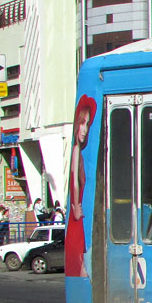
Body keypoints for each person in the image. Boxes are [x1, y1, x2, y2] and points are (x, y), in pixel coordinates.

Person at [65, 95, 96, 277]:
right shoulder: (76, 150)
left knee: (81, 263)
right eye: (82, 122)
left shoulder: (79, 152)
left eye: (88, 124)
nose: (84, 129)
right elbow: (75, 182)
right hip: (77, 216)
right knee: (80, 265)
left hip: (78, 216)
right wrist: (76, 206)